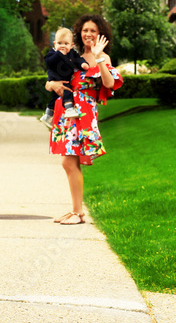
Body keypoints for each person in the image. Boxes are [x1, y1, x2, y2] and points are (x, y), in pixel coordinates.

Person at [45, 14, 122, 225]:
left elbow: (109, 84)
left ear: (101, 35)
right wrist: (52, 86)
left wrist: (98, 58)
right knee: (68, 162)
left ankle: (78, 212)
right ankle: (75, 210)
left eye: (93, 31)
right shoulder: (72, 55)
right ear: (80, 32)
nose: (88, 34)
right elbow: (51, 80)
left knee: (69, 161)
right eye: (85, 30)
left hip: (84, 113)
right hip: (67, 113)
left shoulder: (102, 58)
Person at [39, 27, 90, 127]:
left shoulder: (72, 54)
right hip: (55, 76)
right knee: (67, 90)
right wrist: (59, 54)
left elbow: (79, 59)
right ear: (54, 43)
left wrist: (83, 64)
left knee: (55, 97)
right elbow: (48, 62)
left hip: (65, 78)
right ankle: (69, 109)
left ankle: (48, 115)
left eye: (66, 44)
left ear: (72, 45)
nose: (62, 46)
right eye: (59, 43)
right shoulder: (53, 53)